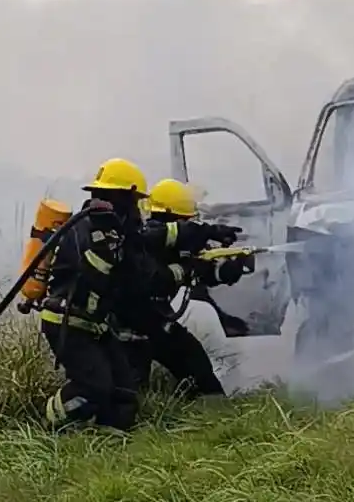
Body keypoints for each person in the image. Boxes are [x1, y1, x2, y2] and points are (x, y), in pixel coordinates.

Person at [39, 158, 237, 433]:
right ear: (120, 196)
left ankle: (112, 442)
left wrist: (215, 257)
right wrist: (188, 267)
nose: (137, 208)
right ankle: (50, 427)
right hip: (71, 320)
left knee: (124, 391)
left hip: (96, 323)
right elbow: (138, 277)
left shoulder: (116, 231)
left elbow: (158, 241)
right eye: (133, 200)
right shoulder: (94, 232)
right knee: (94, 388)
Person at [119, 178, 255, 398]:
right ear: (172, 217)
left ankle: (213, 417)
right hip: (129, 329)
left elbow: (201, 272)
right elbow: (158, 276)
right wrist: (204, 237)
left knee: (198, 369)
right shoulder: (147, 238)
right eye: (185, 221)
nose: (188, 226)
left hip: (156, 322)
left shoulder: (171, 243)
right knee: (128, 393)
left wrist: (226, 270)